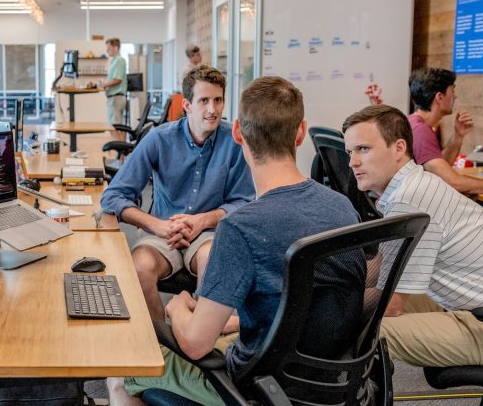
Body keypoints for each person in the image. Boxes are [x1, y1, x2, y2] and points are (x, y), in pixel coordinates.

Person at [109, 76, 363, 405]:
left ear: (238, 132)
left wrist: (177, 307)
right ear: (301, 133)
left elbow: (196, 345)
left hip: (254, 387)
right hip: (329, 383)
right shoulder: (342, 206)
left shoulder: (241, 228)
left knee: (118, 371)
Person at [100, 66, 254, 322]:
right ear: (187, 105)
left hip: (208, 234)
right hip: (162, 232)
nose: (212, 110)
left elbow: (245, 202)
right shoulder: (159, 139)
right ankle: (164, 340)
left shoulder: (234, 141)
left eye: (218, 100)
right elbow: (113, 196)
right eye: (203, 101)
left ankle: (198, 338)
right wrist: (156, 225)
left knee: (213, 260)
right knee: (139, 267)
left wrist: (202, 221)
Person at [342, 104, 483, 367]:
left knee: (368, 329)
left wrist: (316, 315)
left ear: (399, 148)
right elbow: (381, 273)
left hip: (482, 324)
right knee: (351, 302)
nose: (352, 162)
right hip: (473, 307)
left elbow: (392, 305)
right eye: (350, 152)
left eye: (363, 149)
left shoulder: (409, 199)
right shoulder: (413, 186)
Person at [407, 68, 483, 194]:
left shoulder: (414, 123)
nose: (455, 96)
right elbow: (453, 182)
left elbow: (440, 169)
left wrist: (458, 136)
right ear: (439, 97)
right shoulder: (420, 131)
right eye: (452, 90)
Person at [103, 38, 127, 126]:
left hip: (117, 98)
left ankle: (118, 140)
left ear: (115, 48)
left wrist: (104, 84)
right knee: (114, 126)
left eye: (109, 48)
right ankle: (118, 140)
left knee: (116, 126)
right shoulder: (114, 61)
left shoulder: (119, 60)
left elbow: (118, 79)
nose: (107, 50)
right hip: (113, 98)